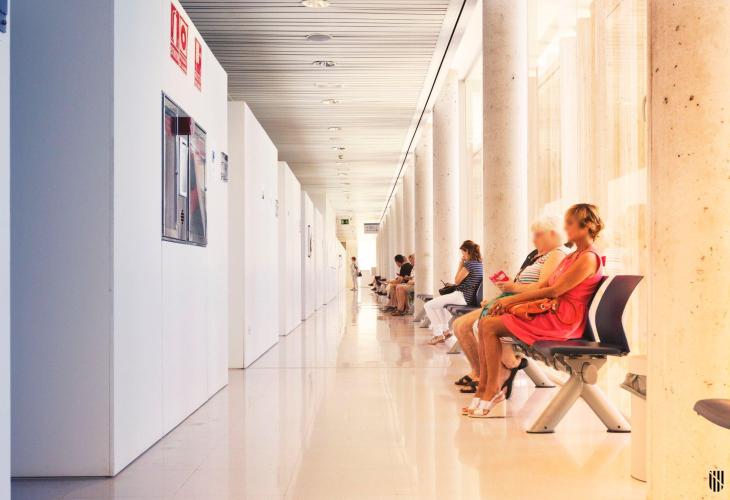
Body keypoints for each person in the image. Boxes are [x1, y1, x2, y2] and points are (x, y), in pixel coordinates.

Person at [465, 204, 605, 418]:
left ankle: (492, 390)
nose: (565, 228)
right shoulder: (573, 256)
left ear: (586, 227)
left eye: (570, 223)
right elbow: (543, 285)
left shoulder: (588, 257)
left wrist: (511, 300)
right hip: (554, 313)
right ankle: (484, 387)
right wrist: (506, 301)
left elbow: (554, 290)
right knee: (486, 323)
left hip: (562, 320)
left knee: (490, 325)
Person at [452, 216, 570, 393]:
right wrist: (503, 295)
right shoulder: (539, 256)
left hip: (525, 307)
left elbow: (543, 288)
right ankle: (482, 373)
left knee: (477, 325)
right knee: (460, 325)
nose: (534, 239)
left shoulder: (557, 254)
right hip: (515, 302)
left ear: (553, 234)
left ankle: (500, 370)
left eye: (538, 235)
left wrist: (511, 290)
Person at [424, 241, 484, 345]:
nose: (462, 255)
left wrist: (461, 264)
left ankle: (438, 334)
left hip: (462, 296)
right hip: (468, 297)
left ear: (467, 251)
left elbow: (457, 281)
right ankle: (446, 331)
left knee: (428, 305)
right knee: (440, 305)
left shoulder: (469, 264)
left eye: (462, 252)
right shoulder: (480, 264)